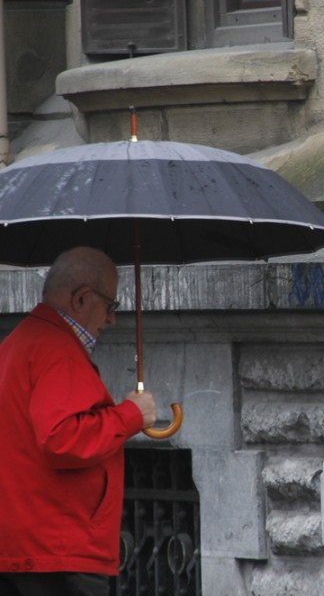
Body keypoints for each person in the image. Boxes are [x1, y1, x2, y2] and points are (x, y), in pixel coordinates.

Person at [0, 246, 157, 596]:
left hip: (22, 545)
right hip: (58, 548)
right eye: (110, 305)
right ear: (83, 299)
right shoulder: (57, 350)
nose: (112, 318)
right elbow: (61, 438)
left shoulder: (17, 344)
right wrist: (132, 414)